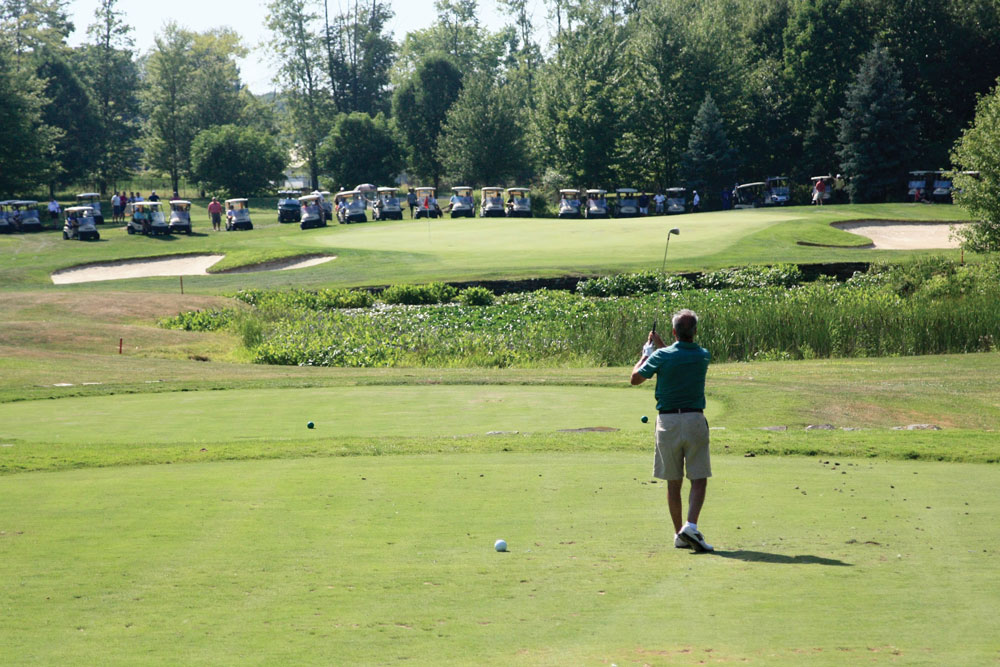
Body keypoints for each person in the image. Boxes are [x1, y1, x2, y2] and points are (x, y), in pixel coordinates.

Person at [630, 309, 714, 552]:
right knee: (698, 478)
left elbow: (635, 378)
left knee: (673, 482)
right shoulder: (703, 355)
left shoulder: (662, 356)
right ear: (695, 332)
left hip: (667, 423)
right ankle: (690, 526)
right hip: (695, 420)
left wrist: (646, 355)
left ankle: (680, 532)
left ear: (675, 331)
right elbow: (678, 357)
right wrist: (662, 347)